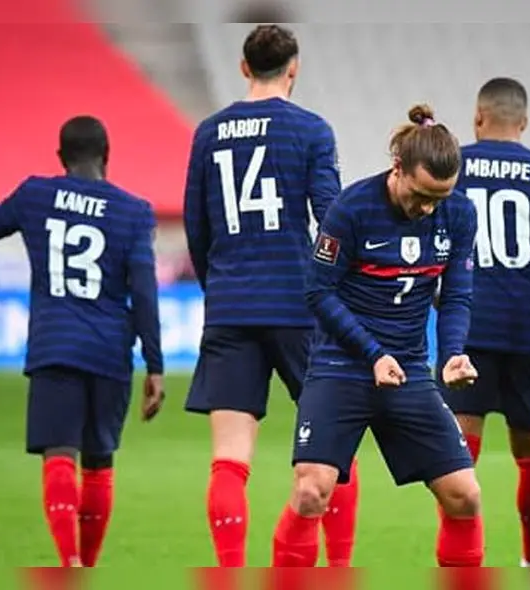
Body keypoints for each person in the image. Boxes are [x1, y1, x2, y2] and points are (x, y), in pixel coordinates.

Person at [271, 104, 483, 568]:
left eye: (439, 198)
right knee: (312, 490)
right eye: (422, 195)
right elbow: (318, 291)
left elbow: (457, 295)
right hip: (340, 367)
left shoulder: (460, 214)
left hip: (408, 371)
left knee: (465, 495)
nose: (428, 208)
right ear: (398, 169)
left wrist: (451, 354)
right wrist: (370, 353)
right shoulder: (352, 208)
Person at [182, 24, 357, 567]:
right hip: (296, 304)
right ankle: (338, 570)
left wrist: (222, 285)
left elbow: (196, 225)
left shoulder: (210, 132)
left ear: (243, 68)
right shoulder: (310, 131)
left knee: (229, 460)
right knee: (332, 448)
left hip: (232, 303)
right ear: (293, 68)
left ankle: (230, 574)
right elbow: (331, 217)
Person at [0, 115, 165, 567]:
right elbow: (144, 291)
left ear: (61, 158)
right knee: (99, 460)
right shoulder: (133, 211)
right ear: (107, 156)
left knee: (60, 452)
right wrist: (154, 365)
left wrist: (25, 215)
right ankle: (89, 566)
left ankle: (69, 562)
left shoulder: (35, 194)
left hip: (55, 344)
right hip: (110, 349)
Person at [441, 77, 530, 568]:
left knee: (457, 457)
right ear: (524, 122)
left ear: (478, 118)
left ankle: (462, 568)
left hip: (465, 329)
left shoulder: (451, 167)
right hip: (526, 328)